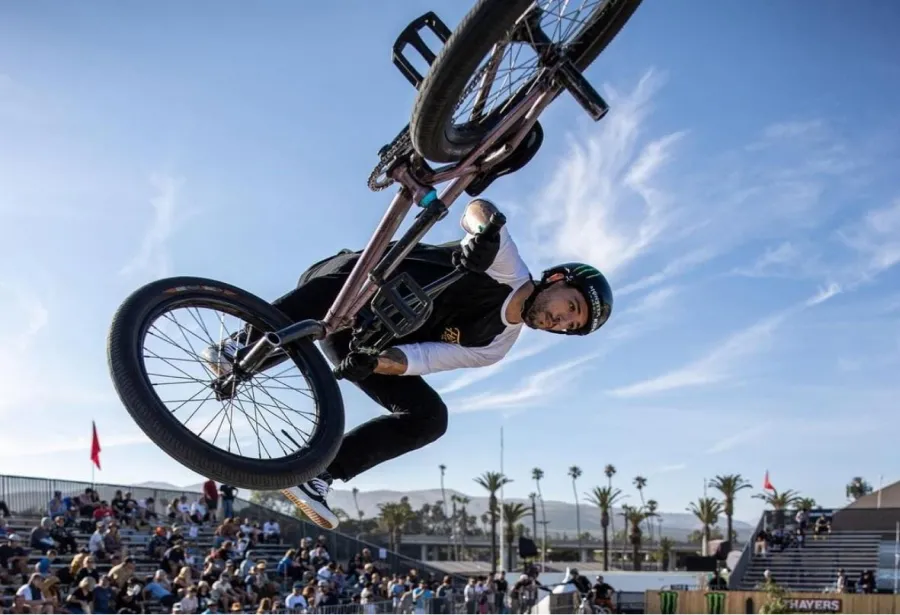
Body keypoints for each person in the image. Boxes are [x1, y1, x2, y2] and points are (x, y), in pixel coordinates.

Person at [203, 198, 614, 529]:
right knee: (357, 288)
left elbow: (419, 358)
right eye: (570, 307)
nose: (561, 322)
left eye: (570, 327)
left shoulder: (496, 345)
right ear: (557, 280)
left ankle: (319, 474)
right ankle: (239, 346)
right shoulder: (505, 267)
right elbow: (480, 209)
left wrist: (373, 364)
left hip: (364, 341)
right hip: (352, 279)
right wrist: (482, 233)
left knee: (430, 418)